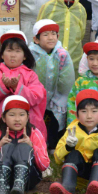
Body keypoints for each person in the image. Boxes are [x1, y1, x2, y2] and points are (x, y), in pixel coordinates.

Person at [50, 89, 98, 194]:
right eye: (84, 111)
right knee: (73, 154)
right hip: (80, 175)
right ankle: (67, 189)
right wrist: (68, 147)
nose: (89, 116)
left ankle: (93, 188)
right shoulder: (71, 131)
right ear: (77, 115)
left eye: (94, 111)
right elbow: (58, 159)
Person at [0, 30, 48, 139]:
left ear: (25, 56)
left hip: (25, 128)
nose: (13, 55)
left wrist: (17, 87)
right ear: (2, 55)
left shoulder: (31, 75)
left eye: (18, 51)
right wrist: (2, 86)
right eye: (9, 50)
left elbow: (36, 97)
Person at [0, 95, 52, 194]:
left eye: (21, 115)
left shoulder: (34, 133)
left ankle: (19, 185)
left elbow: (44, 165)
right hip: (3, 178)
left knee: (24, 146)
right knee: (7, 146)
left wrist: (31, 145)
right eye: (12, 115)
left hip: (29, 179)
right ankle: (2, 188)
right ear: (3, 117)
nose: (17, 119)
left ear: (27, 117)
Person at [29, 19, 75, 147]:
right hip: (36, 97)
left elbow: (67, 77)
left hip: (57, 96)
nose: (51, 38)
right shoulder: (31, 54)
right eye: (45, 34)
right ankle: (37, 144)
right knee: (37, 121)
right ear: (36, 39)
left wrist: (60, 95)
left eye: (53, 34)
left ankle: (53, 145)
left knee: (55, 120)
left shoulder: (62, 54)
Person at [37, 0, 87, 70]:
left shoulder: (81, 9)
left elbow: (80, 35)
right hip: (50, 59)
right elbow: (38, 32)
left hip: (74, 60)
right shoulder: (48, 7)